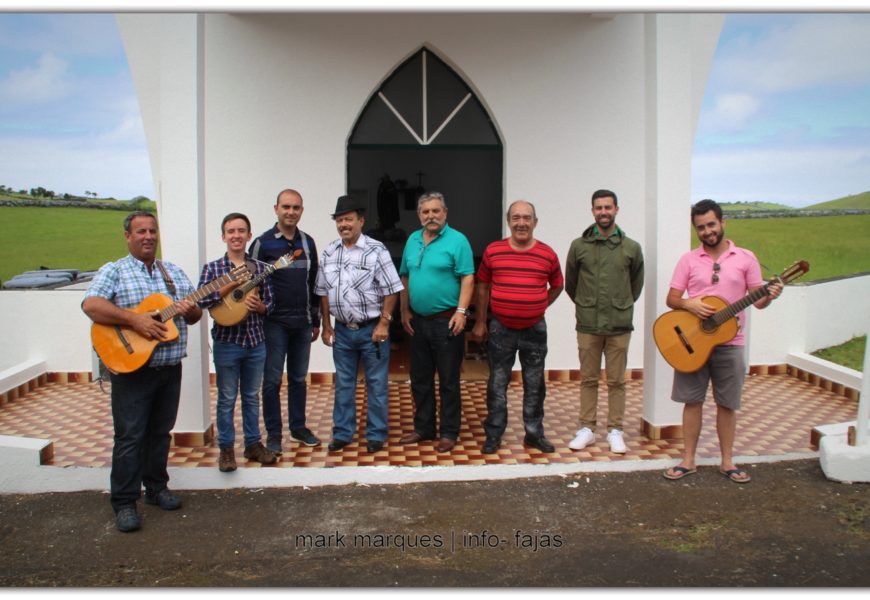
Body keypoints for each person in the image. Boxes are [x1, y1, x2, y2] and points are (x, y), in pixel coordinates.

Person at [82, 210, 203, 533]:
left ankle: (156, 489)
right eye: (141, 232)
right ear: (128, 236)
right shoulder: (115, 271)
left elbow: (193, 318)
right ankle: (123, 502)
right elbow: (91, 305)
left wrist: (192, 309)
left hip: (168, 368)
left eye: (152, 230)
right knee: (130, 437)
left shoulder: (173, 273)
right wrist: (134, 320)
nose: (148, 236)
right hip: (132, 369)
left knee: (160, 434)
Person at [663, 199, 782, 483]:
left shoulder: (746, 258)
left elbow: (758, 300)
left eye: (711, 224)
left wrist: (771, 295)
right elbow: (672, 299)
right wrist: (690, 305)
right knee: (692, 401)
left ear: (723, 223)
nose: (707, 231)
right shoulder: (688, 260)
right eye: (701, 227)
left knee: (727, 403)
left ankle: (727, 461)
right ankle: (688, 460)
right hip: (692, 340)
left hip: (731, 342)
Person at [471, 200, 563, 454]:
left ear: (535, 222)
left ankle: (534, 434)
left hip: (535, 329)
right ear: (508, 221)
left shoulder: (548, 253)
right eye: (516, 218)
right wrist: (480, 321)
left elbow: (557, 285)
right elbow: (482, 286)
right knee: (497, 384)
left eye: (526, 218)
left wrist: (538, 304)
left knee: (535, 384)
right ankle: (494, 434)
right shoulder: (493, 251)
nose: (521, 223)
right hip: (501, 328)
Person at [316, 195, 404, 453]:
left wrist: (384, 324)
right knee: (344, 384)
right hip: (342, 331)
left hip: (372, 331)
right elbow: (322, 291)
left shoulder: (377, 250)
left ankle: (376, 434)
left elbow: (392, 289)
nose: (344, 224)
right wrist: (327, 325)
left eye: (349, 219)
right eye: (340, 220)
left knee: (376, 384)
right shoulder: (329, 252)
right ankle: (342, 433)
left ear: (361, 221)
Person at [564, 189, 644, 454]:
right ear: (592, 211)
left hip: (619, 324)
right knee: (588, 378)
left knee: (616, 380)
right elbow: (571, 284)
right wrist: (588, 304)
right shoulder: (579, 246)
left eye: (608, 207)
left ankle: (615, 431)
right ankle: (587, 429)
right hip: (587, 323)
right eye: (598, 208)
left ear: (617, 210)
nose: (603, 212)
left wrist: (619, 303)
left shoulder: (631, 247)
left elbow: (636, 285)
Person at [196, 213, 277, 472]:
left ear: (249, 236)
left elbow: (271, 304)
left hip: (255, 342)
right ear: (223, 236)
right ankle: (227, 450)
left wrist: (260, 306)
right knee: (227, 398)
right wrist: (226, 286)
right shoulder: (213, 269)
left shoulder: (261, 269)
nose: (236, 235)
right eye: (231, 231)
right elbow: (200, 302)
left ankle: (253, 445)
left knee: (252, 397)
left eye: (241, 231)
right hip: (227, 343)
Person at [397, 191, 475, 453]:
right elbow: (405, 278)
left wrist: (462, 311)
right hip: (418, 322)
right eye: (425, 212)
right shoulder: (413, 240)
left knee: (449, 381)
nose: (430, 216)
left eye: (435, 211)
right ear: (419, 215)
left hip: (447, 321)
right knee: (419, 378)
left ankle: (449, 432)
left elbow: (467, 278)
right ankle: (424, 428)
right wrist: (404, 311)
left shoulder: (458, 241)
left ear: (445, 213)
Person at [250, 189, 321, 453]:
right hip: (274, 323)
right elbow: (251, 282)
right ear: (276, 209)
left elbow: (314, 282)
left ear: (302, 210)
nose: (291, 212)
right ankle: (274, 434)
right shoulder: (262, 243)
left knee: (299, 379)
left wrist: (316, 321)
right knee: (271, 381)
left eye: (296, 208)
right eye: (286, 207)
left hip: (302, 324)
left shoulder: (308, 242)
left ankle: (299, 428)